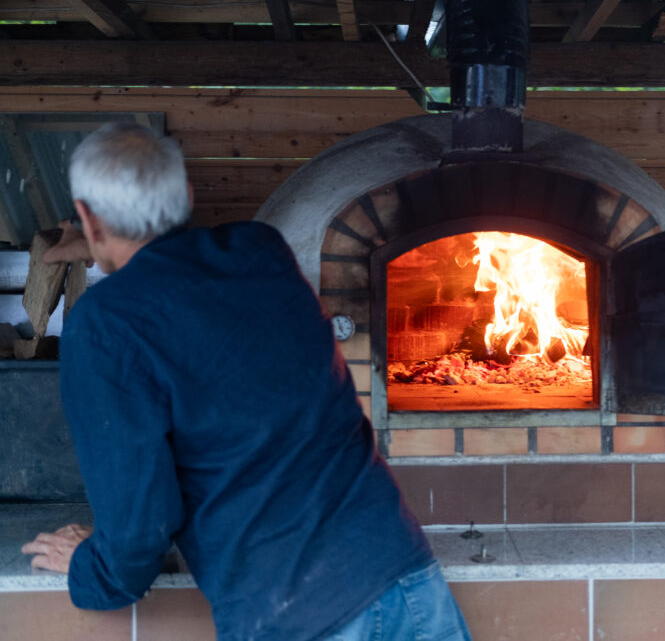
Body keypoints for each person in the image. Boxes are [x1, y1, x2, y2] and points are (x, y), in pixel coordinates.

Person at [21, 123, 471, 641]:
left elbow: (140, 524)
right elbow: (191, 294)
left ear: (87, 217)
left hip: (293, 615)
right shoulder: (262, 252)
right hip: (403, 574)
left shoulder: (107, 324)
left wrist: (90, 568)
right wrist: (102, 244)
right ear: (186, 197)